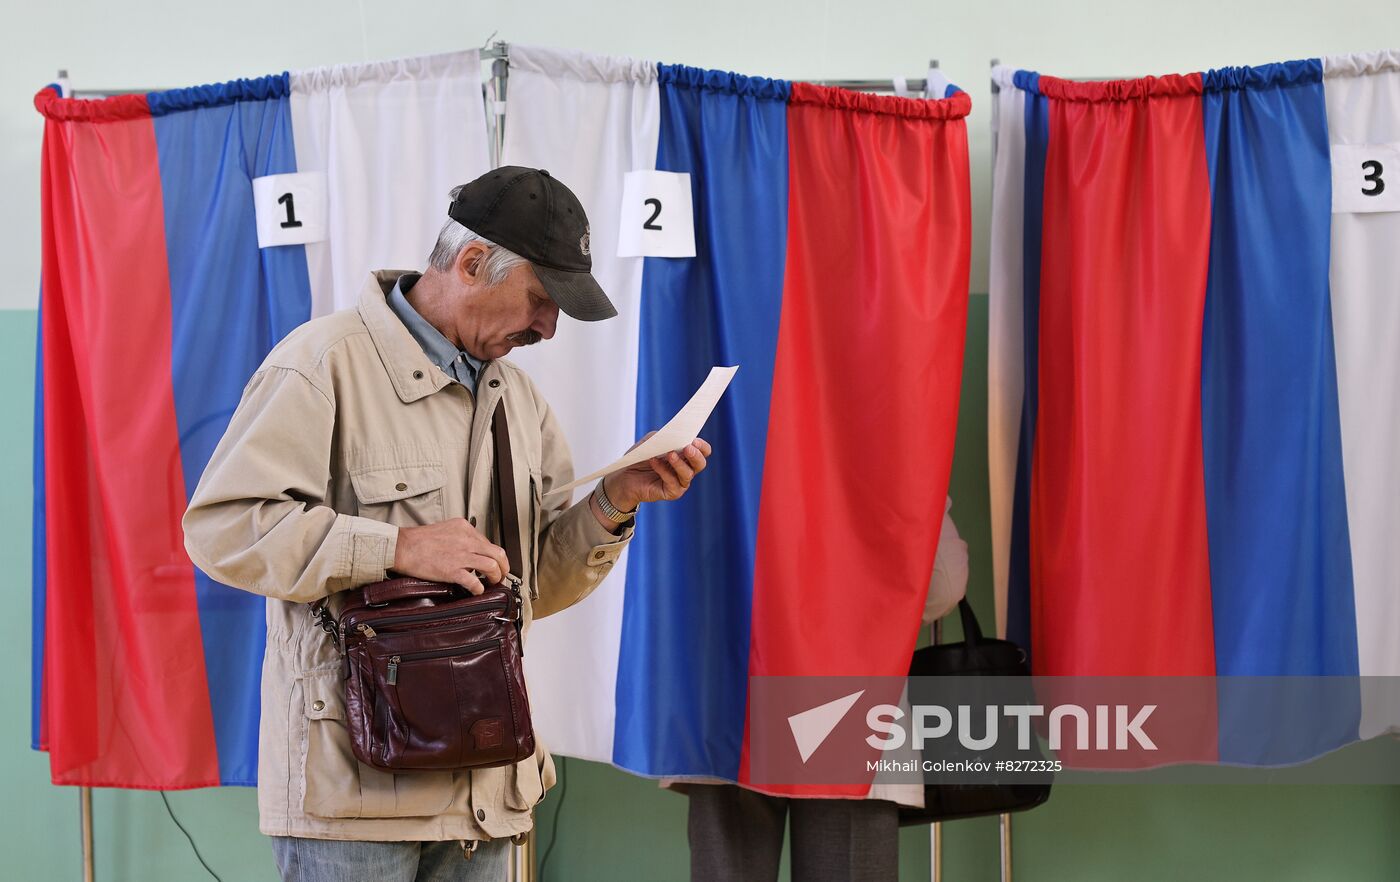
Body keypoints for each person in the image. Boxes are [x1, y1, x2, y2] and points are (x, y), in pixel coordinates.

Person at [182, 167, 711, 882]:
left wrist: (614, 502)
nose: (549, 328)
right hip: (355, 808)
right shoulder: (319, 366)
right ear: (470, 264)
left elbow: (531, 590)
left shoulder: (520, 404)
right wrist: (395, 548)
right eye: (542, 299)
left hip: (486, 799)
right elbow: (224, 530)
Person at [685, 498, 968, 882]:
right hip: (852, 702)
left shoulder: (721, 439)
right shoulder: (893, 443)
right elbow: (944, 583)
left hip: (732, 694)